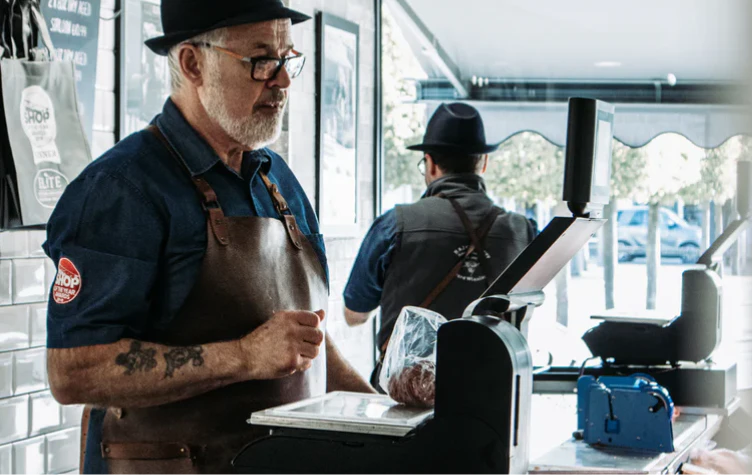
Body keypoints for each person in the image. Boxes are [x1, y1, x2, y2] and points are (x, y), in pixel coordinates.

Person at [43, 1, 373, 474]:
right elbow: (73, 371)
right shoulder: (122, 189)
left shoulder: (275, 179)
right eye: (261, 61)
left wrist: (393, 417)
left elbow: (308, 344)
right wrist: (243, 356)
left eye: (287, 59)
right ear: (192, 64)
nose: (281, 81)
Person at [342, 103, 537, 389]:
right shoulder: (524, 230)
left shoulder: (396, 224)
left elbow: (354, 314)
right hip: (492, 394)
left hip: (405, 393)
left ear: (430, 163)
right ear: (483, 163)